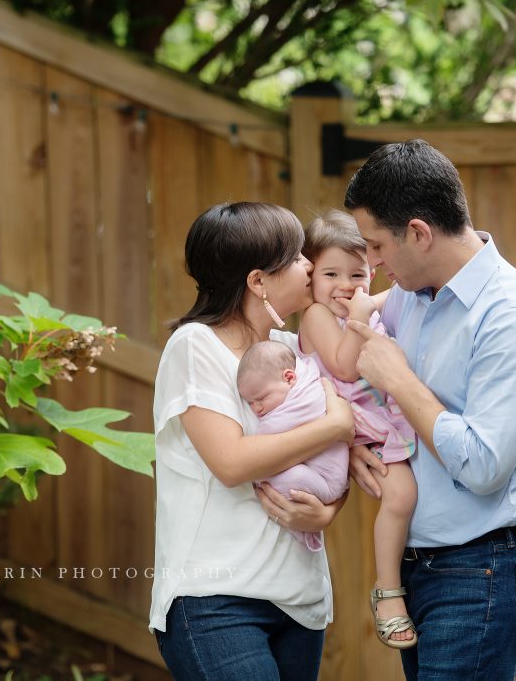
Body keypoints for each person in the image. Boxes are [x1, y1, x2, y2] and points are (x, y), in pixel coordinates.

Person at [342, 140, 516, 680]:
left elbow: (485, 467)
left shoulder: (514, 318)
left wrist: (399, 377)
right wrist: (355, 445)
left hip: (482, 571)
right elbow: (372, 396)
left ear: (418, 233)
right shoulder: (409, 296)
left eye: (376, 246)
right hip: (419, 569)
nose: (370, 264)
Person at [150, 202, 355, 681]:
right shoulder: (197, 345)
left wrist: (329, 509)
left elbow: (335, 459)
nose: (310, 266)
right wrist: (333, 424)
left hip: (300, 602)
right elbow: (233, 462)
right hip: (217, 601)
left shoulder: (302, 354)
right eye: (297, 257)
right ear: (258, 280)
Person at [297, 211, 419, 649]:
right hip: (356, 424)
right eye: (331, 273)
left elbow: (402, 291)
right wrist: (361, 317)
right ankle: (389, 591)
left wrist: (372, 303)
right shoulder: (316, 316)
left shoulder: (362, 304)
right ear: (310, 277)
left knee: (409, 496)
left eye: (358, 273)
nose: (346, 285)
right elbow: (345, 367)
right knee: (402, 496)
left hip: (379, 418)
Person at [236, 340, 349, 552]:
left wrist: (255, 471)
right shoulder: (295, 375)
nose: (256, 408)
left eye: (261, 398)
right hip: (327, 479)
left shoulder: (304, 398)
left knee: (267, 476)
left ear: (289, 377)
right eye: (249, 402)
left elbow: (266, 440)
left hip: (327, 484)